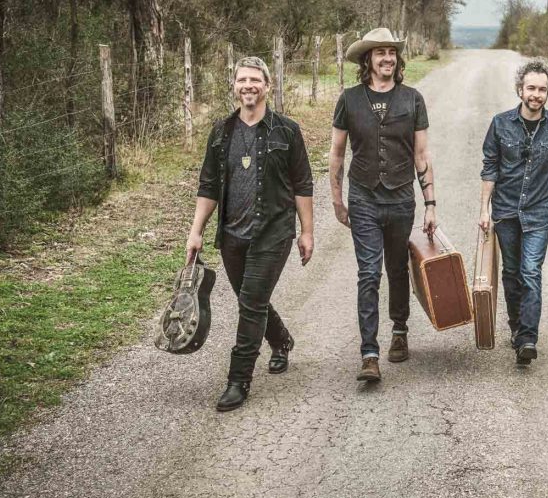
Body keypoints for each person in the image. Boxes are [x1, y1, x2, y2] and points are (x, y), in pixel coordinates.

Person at [186, 56, 314, 411]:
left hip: (273, 233)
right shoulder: (221, 131)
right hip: (232, 235)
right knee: (250, 300)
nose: (248, 86)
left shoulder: (287, 131)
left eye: (255, 80)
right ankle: (282, 340)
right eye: (242, 80)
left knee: (252, 304)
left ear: (267, 86)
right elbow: (208, 185)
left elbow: (303, 184)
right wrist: (195, 232)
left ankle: (238, 380)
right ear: (234, 86)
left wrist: (307, 232)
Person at [329, 28, 437, 382]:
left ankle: (400, 330)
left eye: (391, 52)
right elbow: (337, 153)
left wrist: (431, 204)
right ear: (368, 60)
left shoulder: (412, 99)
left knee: (397, 268)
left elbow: (422, 155)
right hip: (363, 197)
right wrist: (336, 198)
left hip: (401, 198)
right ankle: (369, 354)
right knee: (368, 273)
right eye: (380, 53)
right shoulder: (349, 99)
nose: (387, 58)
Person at [479, 59, 548, 365]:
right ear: (520, 90)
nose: (536, 94)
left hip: (539, 212)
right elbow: (490, 168)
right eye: (531, 88)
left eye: (542, 89)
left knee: (530, 271)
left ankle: (528, 339)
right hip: (505, 211)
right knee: (511, 273)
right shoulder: (500, 123)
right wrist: (484, 209)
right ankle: (516, 327)